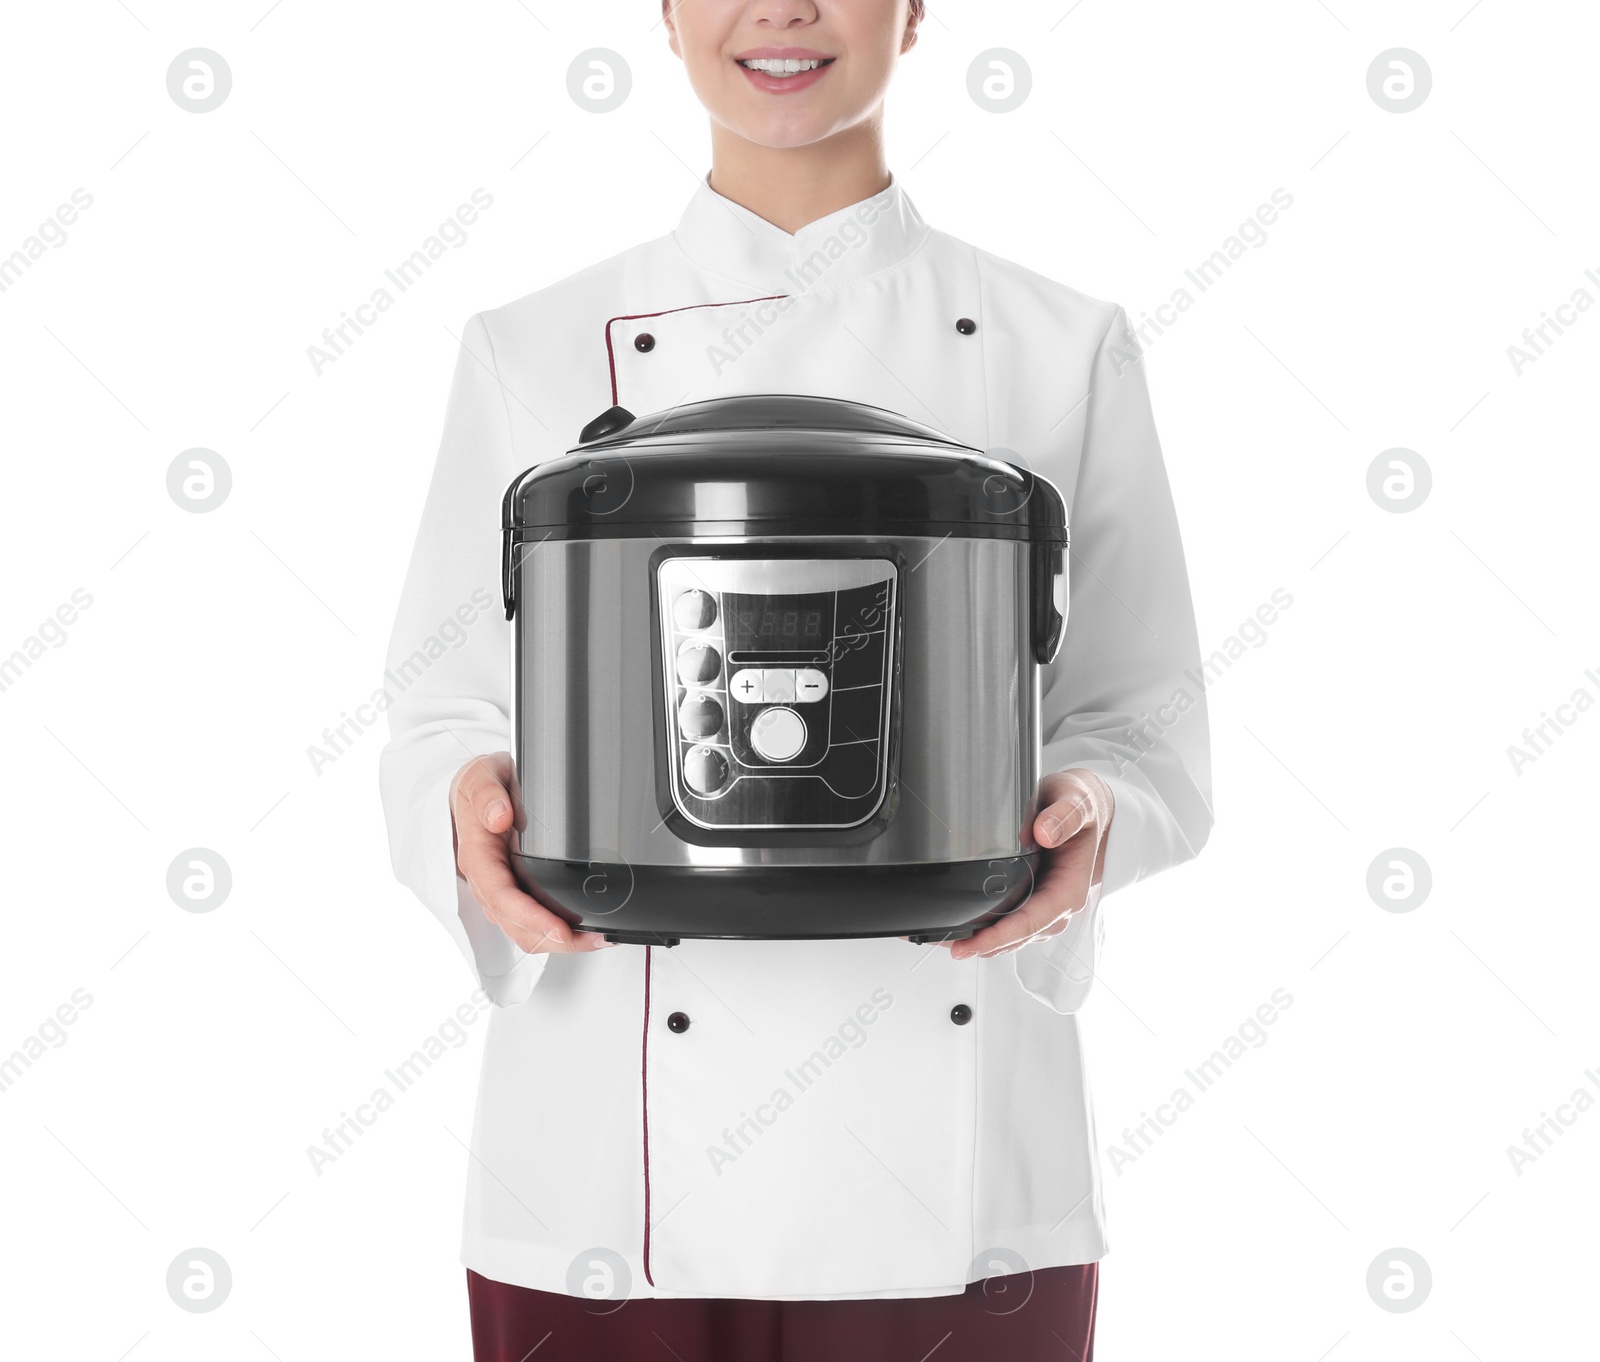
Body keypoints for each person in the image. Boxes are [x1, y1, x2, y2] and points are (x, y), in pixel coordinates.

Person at [379, 2, 1212, 1358]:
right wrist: (465, 809)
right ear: (661, 9)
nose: (780, 8)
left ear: (916, 10)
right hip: (605, 1190)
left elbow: (1147, 721)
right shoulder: (530, 347)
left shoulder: (1061, 342)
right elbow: (442, 710)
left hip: (964, 1205)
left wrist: (1096, 819)